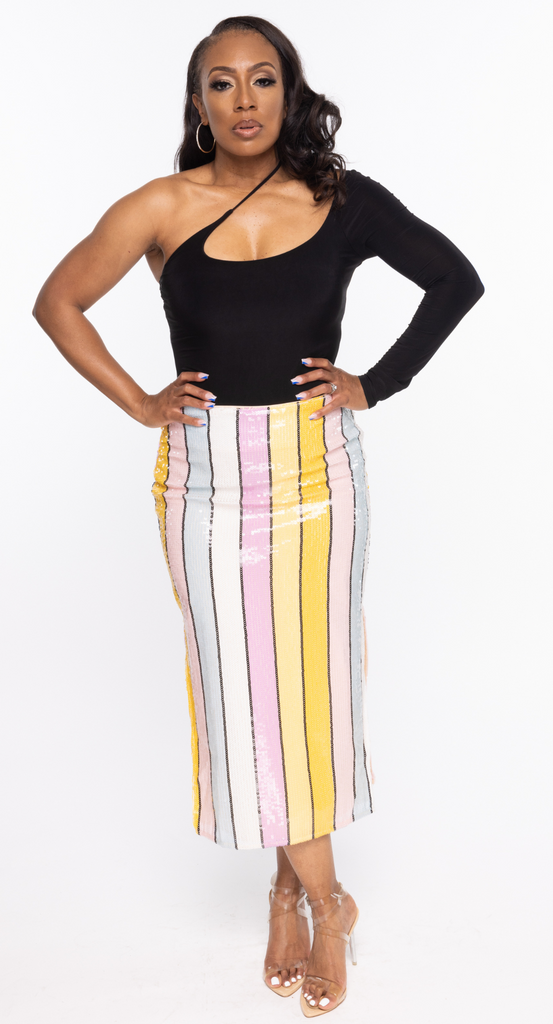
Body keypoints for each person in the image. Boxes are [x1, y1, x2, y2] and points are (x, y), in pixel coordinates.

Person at [32, 14, 484, 1017]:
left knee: (307, 692)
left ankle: (307, 897)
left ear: (290, 90)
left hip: (316, 473)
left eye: (263, 79)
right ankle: (318, 894)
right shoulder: (160, 205)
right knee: (242, 696)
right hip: (203, 477)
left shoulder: (342, 200)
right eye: (222, 82)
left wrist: (374, 383)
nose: (244, 100)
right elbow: (58, 301)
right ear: (197, 101)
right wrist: (139, 401)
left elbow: (456, 280)